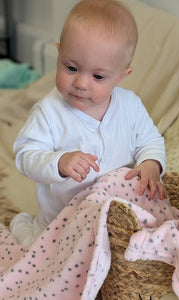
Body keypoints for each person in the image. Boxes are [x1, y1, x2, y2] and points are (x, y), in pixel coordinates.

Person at [10, 0, 167, 246]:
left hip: (112, 220)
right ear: (59, 53)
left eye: (97, 76)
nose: (81, 83)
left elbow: (151, 140)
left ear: (121, 75)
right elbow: (25, 156)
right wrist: (59, 162)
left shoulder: (130, 106)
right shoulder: (49, 112)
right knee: (37, 253)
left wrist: (151, 163)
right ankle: (25, 227)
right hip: (59, 224)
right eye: (71, 68)